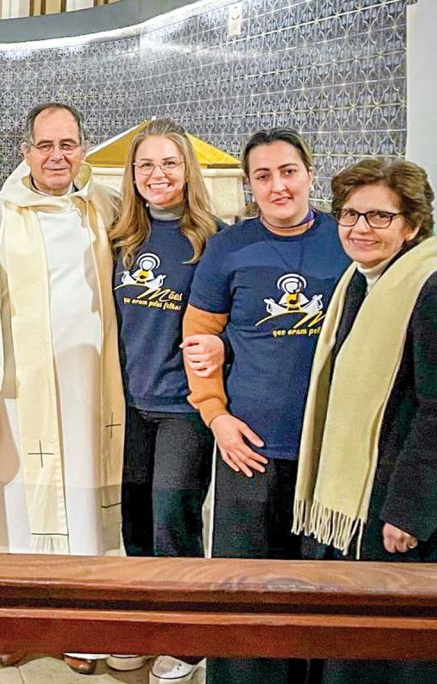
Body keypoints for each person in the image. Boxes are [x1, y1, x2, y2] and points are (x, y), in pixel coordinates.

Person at [182, 128, 350, 684]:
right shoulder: (228, 248)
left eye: (288, 171)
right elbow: (198, 340)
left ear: (309, 173)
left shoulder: (345, 240)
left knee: (318, 592)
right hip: (247, 448)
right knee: (247, 589)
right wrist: (216, 417)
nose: (278, 186)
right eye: (263, 176)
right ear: (249, 186)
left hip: (327, 452)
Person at [0, 103, 123, 674]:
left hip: (89, 390)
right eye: (45, 145)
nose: (57, 156)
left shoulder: (105, 207)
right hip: (17, 391)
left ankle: (83, 630)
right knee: (14, 513)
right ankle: (12, 626)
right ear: (26, 151)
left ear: (83, 149)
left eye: (68, 144)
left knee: (83, 510)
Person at [295, 159, 437, 684]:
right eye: (350, 214)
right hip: (361, 496)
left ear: (412, 224)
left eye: (379, 216)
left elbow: (435, 409)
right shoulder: (359, 281)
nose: (359, 228)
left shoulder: (427, 286)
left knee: (387, 650)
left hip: (396, 503)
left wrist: (410, 511)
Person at [107, 119, 221, 683]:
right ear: (132, 174)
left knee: (173, 517)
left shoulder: (212, 240)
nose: (158, 174)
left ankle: (186, 640)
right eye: (146, 164)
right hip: (129, 401)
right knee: (134, 520)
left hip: (183, 405)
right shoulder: (121, 239)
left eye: (169, 163)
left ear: (187, 170)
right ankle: (145, 628)